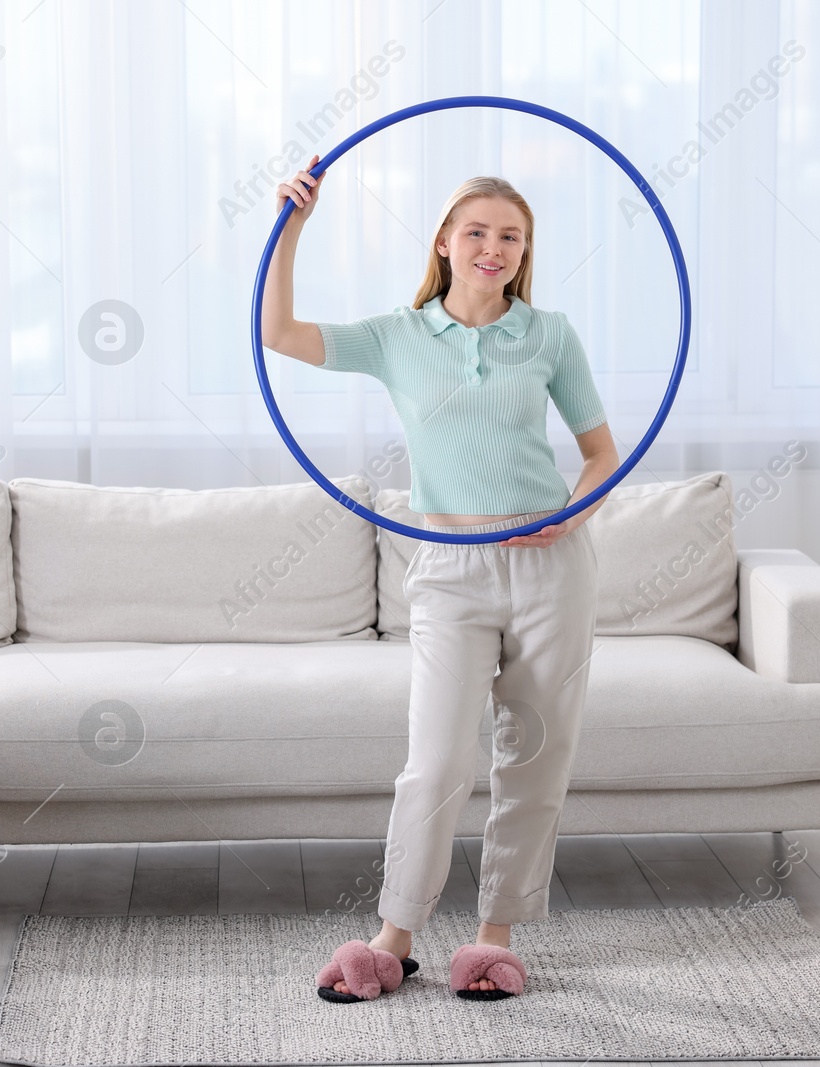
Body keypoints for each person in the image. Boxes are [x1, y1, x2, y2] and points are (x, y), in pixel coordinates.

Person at [261, 156, 620, 1001]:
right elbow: (278, 333)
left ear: (524, 251)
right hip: (449, 567)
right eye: (478, 232)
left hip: (549, 563)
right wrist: (292, 227)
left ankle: (494, 939)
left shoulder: (550, 334)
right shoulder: (398, 336)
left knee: (535, 754)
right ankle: (394, 936)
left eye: (511, 236)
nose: (493, 247)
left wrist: (571, 513)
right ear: (445, 242)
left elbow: (602, 454)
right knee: (435, 762)